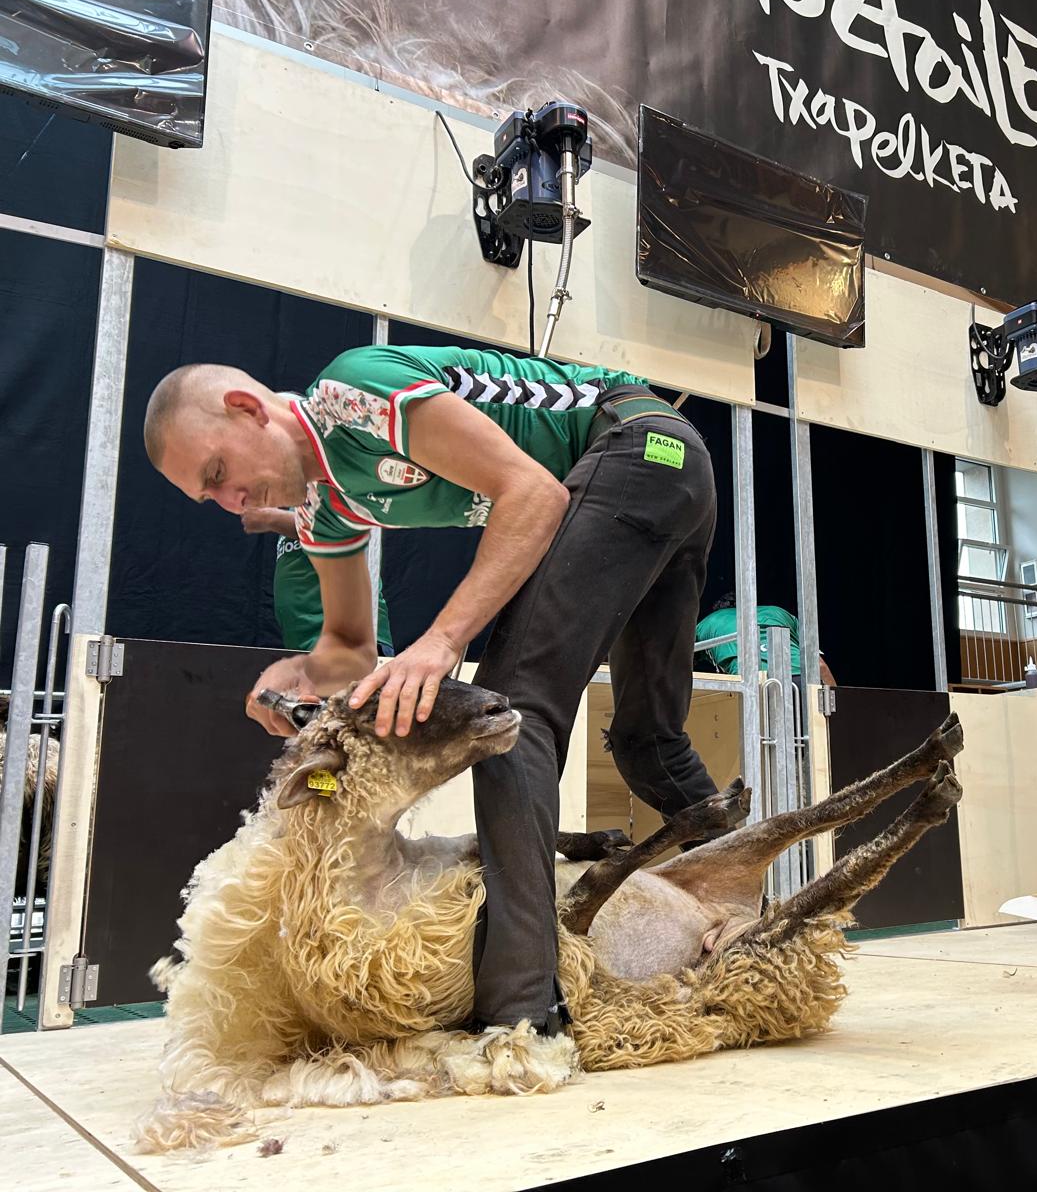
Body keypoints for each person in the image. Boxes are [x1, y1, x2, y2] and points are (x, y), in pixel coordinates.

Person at [143, 343, 720, 1037]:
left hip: (636, 445)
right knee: (645, 740)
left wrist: (443, 641)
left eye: (219, 472)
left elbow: (534, 494)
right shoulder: (323, 512)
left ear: (247, 409)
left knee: (512, 713)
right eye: (210, 498)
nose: (232, 503)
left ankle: (522, 1019)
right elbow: (352, 650)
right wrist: (299, 676)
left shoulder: (350, 393)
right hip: (668, 472)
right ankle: (755, 913)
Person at [240, 507, 395, 657]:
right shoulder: (300, 503)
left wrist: (269, 518)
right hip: (310, 641)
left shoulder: (336, 486)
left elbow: (331, 527)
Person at [694, 591, 837, 685]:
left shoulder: (705, 625)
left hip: (754, 685)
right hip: (806, 681)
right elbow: (820, 665)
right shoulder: (780, 612)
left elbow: (679, 668)